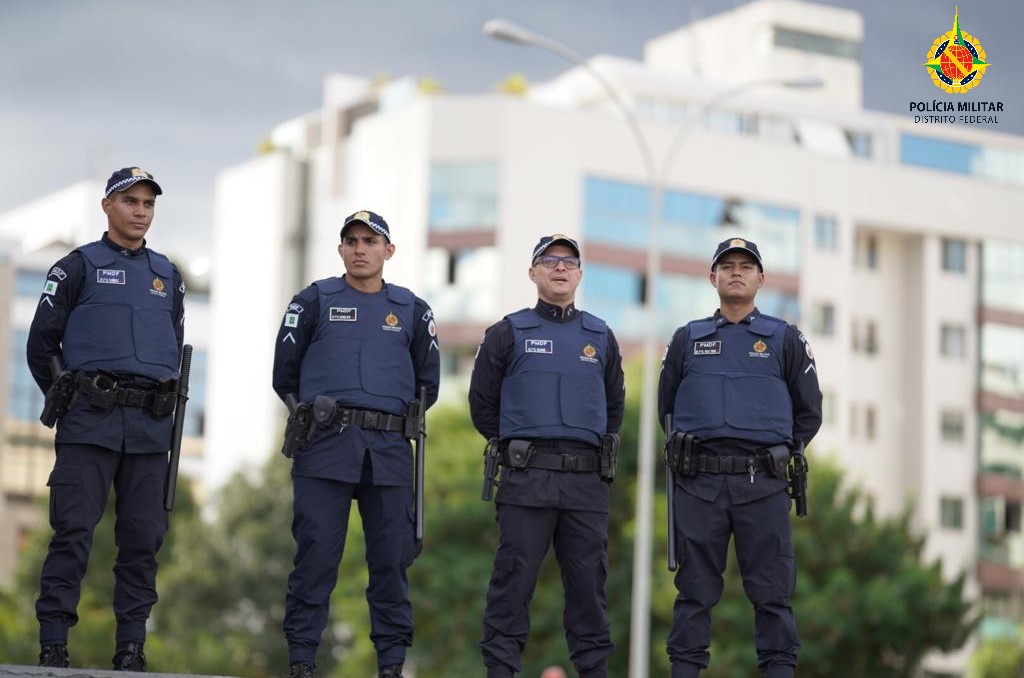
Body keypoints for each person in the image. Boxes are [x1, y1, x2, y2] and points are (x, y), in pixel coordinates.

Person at [27, 167, 185, 671]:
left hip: (149, 429)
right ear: (107, 206)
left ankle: (131, 648)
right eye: (130, 201)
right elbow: (40, 347)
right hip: (89, 422)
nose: (140, 211)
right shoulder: (75, 267)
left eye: (147, 204)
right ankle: (54, 644)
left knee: (142, 541)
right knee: (73, 532)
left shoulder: (168, 274)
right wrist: (67, 397)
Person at [272, 210, 440, 678]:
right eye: (351, 240)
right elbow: (283, 374)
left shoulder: (413, 310)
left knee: (390, 563)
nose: (360, 248)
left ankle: (390, 664)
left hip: (388, 453)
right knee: (316, 557)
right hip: (324, 447)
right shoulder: (313, 300)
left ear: (389, 250)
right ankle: (302, 659)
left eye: (371, 240)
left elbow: (428, 385)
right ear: (341, 249)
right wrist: (305, 415)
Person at [658, 237, 822, 678]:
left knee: (773, 597)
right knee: (693, 595)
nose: (736, 272)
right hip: (700, 486)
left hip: (763, 486)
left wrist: (773, 453)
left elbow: (809, 413)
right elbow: (667, 409)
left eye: (745, 266)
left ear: (760, 279)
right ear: (712, 277)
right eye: (726, 265)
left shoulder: (785, 339)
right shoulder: (686, 339)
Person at [470, 234, 625, 678]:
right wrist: (520, 445)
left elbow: (613, 408)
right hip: (526, 480)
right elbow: (483, 405)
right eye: (550, 260)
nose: (560, 268)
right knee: (510, 587)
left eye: (569, 261)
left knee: (588, 594)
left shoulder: (601, 336)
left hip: (585, 485)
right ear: (533, 272)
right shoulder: (507, 332)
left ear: (579, 274)